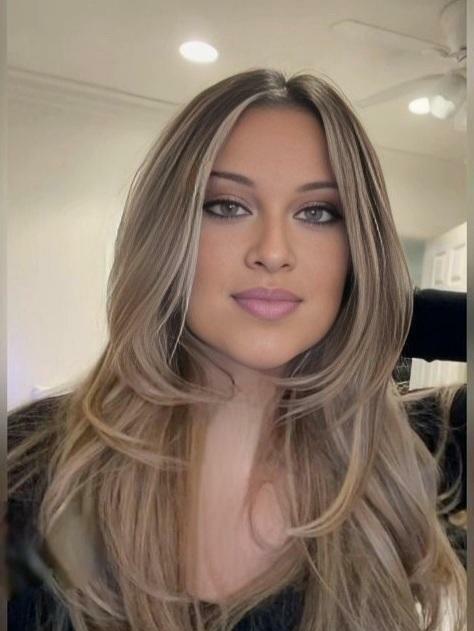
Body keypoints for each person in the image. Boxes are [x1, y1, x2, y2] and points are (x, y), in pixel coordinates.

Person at [7, 68, 466, 631]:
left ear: (356, 251)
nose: (272, 251)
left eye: (318, 213)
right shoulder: (35, 463)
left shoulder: (398, 461)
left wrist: (378, 306)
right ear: (168, 232)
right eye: (227, 206)